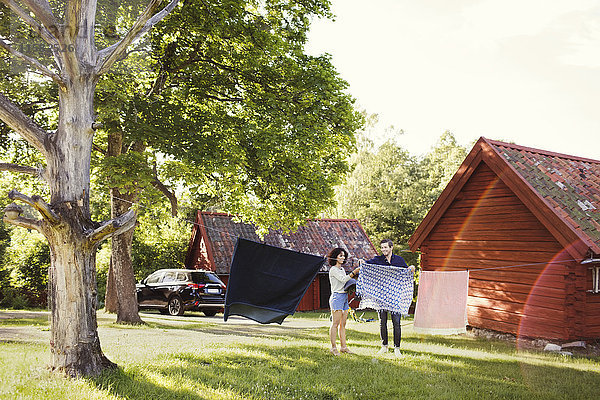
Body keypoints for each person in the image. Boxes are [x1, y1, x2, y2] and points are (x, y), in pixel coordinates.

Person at [365, 239, 415, 358]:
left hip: (395, 296)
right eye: (382, 248)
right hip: (381, 296)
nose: (383, 250)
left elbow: (407, 272)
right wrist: (361, 261)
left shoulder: (399, 260)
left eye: (385, 247)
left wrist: (412, 267)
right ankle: (384, 346)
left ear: (391, 248)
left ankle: (397, 348)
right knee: (383, 323)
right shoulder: (378, 260)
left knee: (396, 323)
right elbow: (366, 265)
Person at [327, 247, 360, 356]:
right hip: (337, 297)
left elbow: (345, 281)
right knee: (335, 324)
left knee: (343, 324)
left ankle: (343, 347)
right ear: (335, 257)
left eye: (343, 255)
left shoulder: (341, 269)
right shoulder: (333, 270)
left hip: (344, 297)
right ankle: (333, 348)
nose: (343, 257)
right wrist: (354, 273)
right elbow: (342, 279)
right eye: (340, 255)